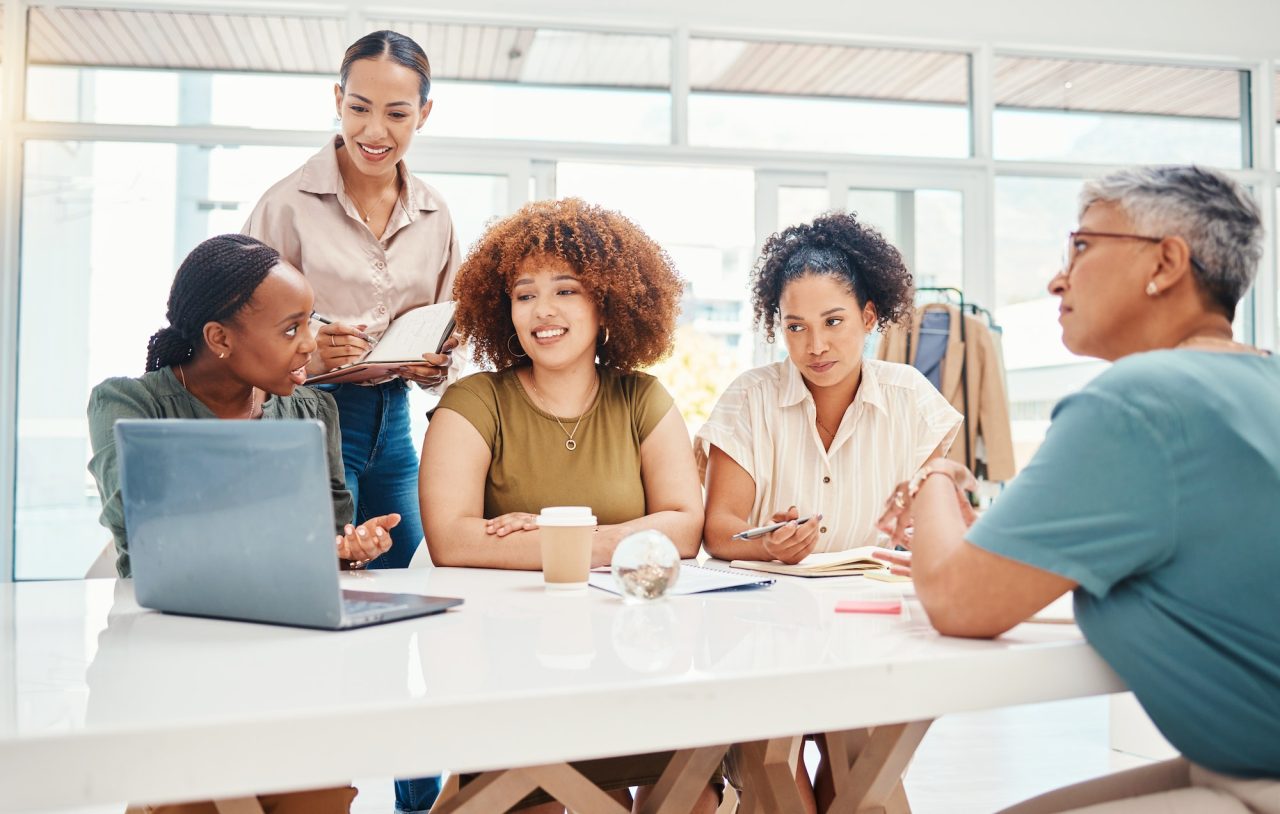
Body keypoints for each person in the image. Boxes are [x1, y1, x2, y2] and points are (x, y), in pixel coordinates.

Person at [877, 165, 1280, 813]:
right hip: (1239, 762)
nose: (1057, 279)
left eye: (1082, 246)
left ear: (1166, 263)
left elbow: (956, 599)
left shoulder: (1142, 400)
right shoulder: (1260, 382)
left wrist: (934, 473)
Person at [420, 198, 716, 813]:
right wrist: (623, 539)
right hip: (506, 667)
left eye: (565, 291)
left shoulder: (642, 399)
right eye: (524, 295)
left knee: (691, 795)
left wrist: (561, 533)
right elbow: (452, 539)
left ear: (606, 303)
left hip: (633, 657)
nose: (542, 311)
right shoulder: (474, 401)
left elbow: (686, 526)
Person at [86, 233, 399, 813]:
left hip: (288, 663)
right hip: (167, 663)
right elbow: (142, 531)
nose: (311, 344)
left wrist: (348, 548)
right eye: (290, 329)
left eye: (310, 323)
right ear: (220, 339)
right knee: (190, 797)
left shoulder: (312, 409)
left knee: (321, 791)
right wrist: (298, 545)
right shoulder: (131, 405)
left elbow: (328, 532)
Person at [696, 212, 960, 810]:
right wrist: (767, 543)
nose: (815, 346)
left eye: (833, 322)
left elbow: (930, 524)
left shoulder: (912, 400)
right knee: (779, 786)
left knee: (861, 788)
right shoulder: (750, 397)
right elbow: (719, 531)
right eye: (795, 327)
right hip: (759, 640)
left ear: (869, 317)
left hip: (868, 634)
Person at [244, 29, 459, 573]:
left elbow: (450, 330)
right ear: (338, 100)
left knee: (410, 576)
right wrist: (310, 356)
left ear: (424, 114)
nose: (374, 131)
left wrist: (434, 366)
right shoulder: (285, 206)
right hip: (306, 416)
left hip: (395, 421)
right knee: (318, 578)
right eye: (359, 108)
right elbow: (239, 334)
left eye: (397, 114)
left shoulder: (435, 215)